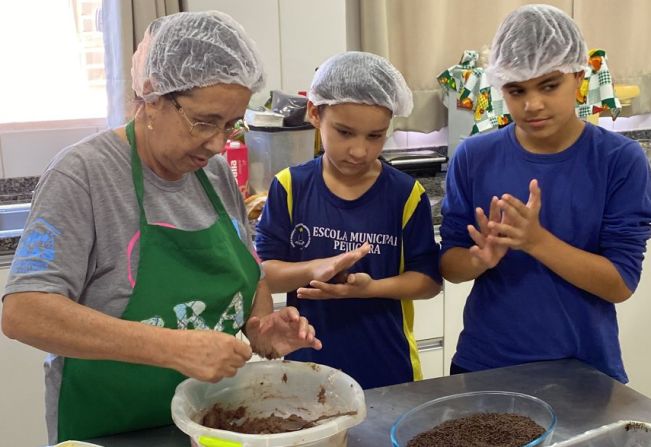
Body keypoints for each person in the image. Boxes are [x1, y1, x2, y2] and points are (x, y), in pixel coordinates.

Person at [0, 11, 321, 444]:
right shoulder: (84, 175)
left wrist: (261, 328)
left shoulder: (216, 174)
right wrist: (174, 347)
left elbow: (250, 274)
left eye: (230, 126)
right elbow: (24, 311)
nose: (216, 144)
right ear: (151, 98)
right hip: (111, 431)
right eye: (204, 122)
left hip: (212, 425)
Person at [439, 4, 651, 381]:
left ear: (578, 77)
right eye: (516, 90)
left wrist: (536, 241)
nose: (532, 104)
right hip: (485, 365)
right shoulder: (473, 156)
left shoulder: (620, 160)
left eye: (549, 85)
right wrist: (479, 259)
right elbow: (450, 267)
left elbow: (620, 283)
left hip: (584, 369)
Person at [255, 51, 442, 390]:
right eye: (344, 132)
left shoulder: (405, 194)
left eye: (375, 136)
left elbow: (428, 282)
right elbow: (264, 276)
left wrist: (371, 289)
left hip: (389, 370)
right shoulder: (290, 186)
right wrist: (315, 269)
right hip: (307, 371)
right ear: (315, 113)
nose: (359, 151)